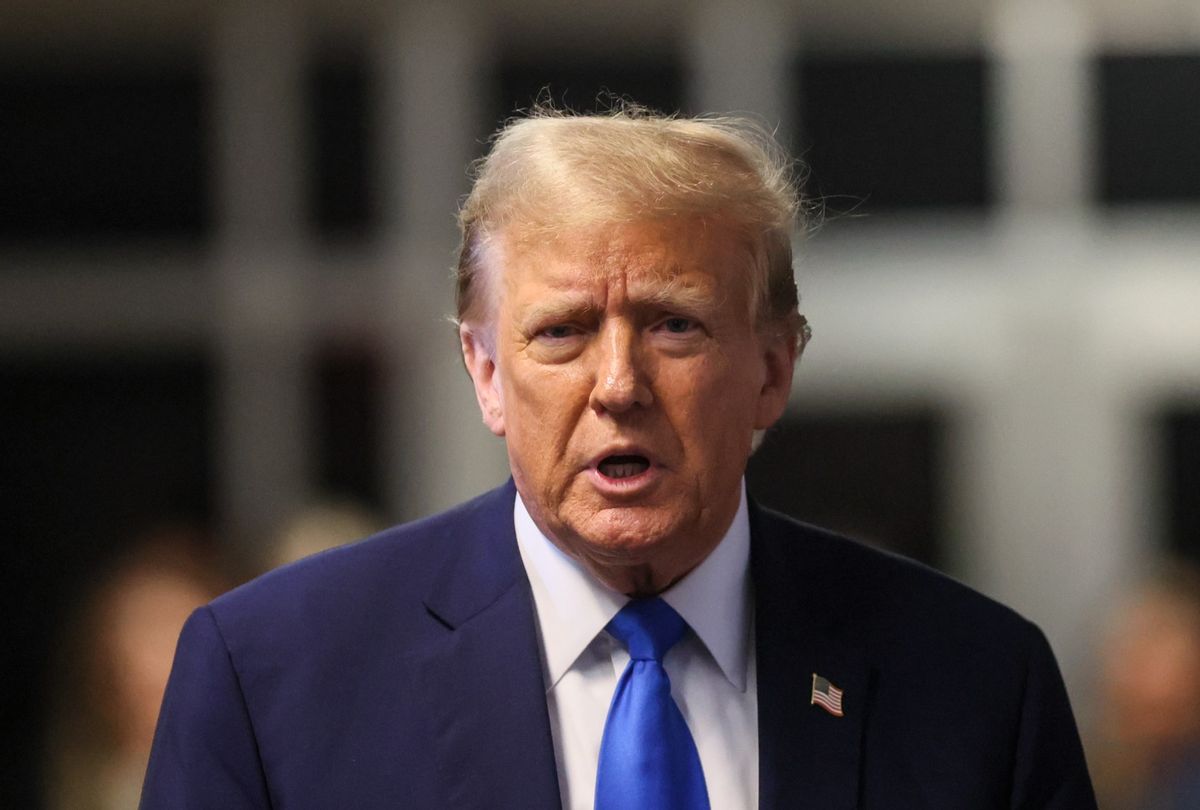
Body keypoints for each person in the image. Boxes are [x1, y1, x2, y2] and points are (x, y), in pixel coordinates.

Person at [141, 107, 1096, 809]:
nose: (617, 385)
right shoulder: (271, 679)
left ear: (772, 368)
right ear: (483, 372)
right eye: (559, 332)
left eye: (674, 325)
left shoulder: (978, 684)